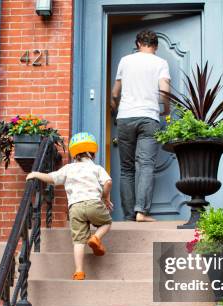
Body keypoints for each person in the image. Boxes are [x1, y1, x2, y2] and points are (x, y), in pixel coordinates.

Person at [26, 132, 113, 281]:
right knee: (106, 223)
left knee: (78, 241)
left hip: (75, 208)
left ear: (74, 153)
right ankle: (96, 238)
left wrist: (36, 174)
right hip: (94, 203)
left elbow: (52, 178)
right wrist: (105, 197)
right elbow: (108, 182)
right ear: (91, 153)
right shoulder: (97, 168)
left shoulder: (68, 169)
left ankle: (79, 272)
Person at [111, 29, 171, 222]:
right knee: (145, 165)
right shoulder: (160, 62)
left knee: (126, 168)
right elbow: (164, 90)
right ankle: (141, 212)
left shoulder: (125, 61)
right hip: (148, 117)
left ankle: (129, 215)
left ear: (138, 44)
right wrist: (166, 109)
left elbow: (115, 93)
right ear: (156, 46)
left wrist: (115, 108)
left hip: (125, 117)